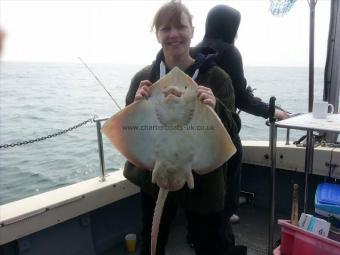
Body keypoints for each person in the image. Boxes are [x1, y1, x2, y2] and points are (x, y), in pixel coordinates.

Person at [123, 1, 245, 255]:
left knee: (209, 244)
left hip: (202, 180)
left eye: (180, 26)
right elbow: (127, 128)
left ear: (192, 30)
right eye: (165, 28)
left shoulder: (216, 78)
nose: (173, 34)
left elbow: (233, 129)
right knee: (152, 243)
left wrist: (217, 107)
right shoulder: (145, 78)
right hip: (154, 175)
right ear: (157, 34)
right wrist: (136, 105)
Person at [196, 5, 289, 224]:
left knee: (204, 180)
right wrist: (273, 110)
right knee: (232, 165)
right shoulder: (229, 51)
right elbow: (242, 98)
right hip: (222, 126)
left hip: (196, 128)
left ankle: (197, 232)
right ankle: (225, 220)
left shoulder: (195, 49)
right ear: (229, 26)